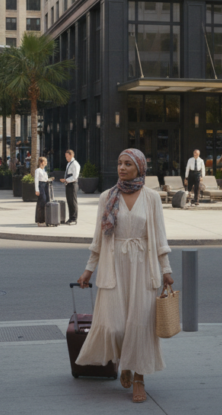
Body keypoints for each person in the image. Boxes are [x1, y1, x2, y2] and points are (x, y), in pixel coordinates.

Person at [76, 148, 173, 403]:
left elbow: (159, 236)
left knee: (140, 326)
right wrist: (88, 269)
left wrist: (167, 270)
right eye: (119, 163)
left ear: (139, 167)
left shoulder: (151, 198)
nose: (122, 167)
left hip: (143, 265)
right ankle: (125, 362)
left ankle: (139, 377)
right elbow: (98, 238)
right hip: (114, 266)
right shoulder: (108, 197)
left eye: (128, 163)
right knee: (115, 327)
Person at [60, 149, 81, 225]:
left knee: (73, 202)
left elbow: (75, 177)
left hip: (72, 184)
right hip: (68, 184)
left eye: (67, 156)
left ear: (71, 155)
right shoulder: (69, 163)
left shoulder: (75, 164)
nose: (66, 158)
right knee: (69, 202)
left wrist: (66, 180)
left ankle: (74, 219)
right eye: (65, 157)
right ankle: (70, 218)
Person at [34, 156, 50, 226]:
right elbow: (36, 180)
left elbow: (45, 179)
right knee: (41, 202)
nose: (46, 163)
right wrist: (37, 190)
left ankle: (44, 219)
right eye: (45, 161)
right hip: (41, 186)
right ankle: (39, 220)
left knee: (46, 201)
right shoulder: (38, 170)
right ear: (41, 162)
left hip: (45, 186)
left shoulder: (44, 170)